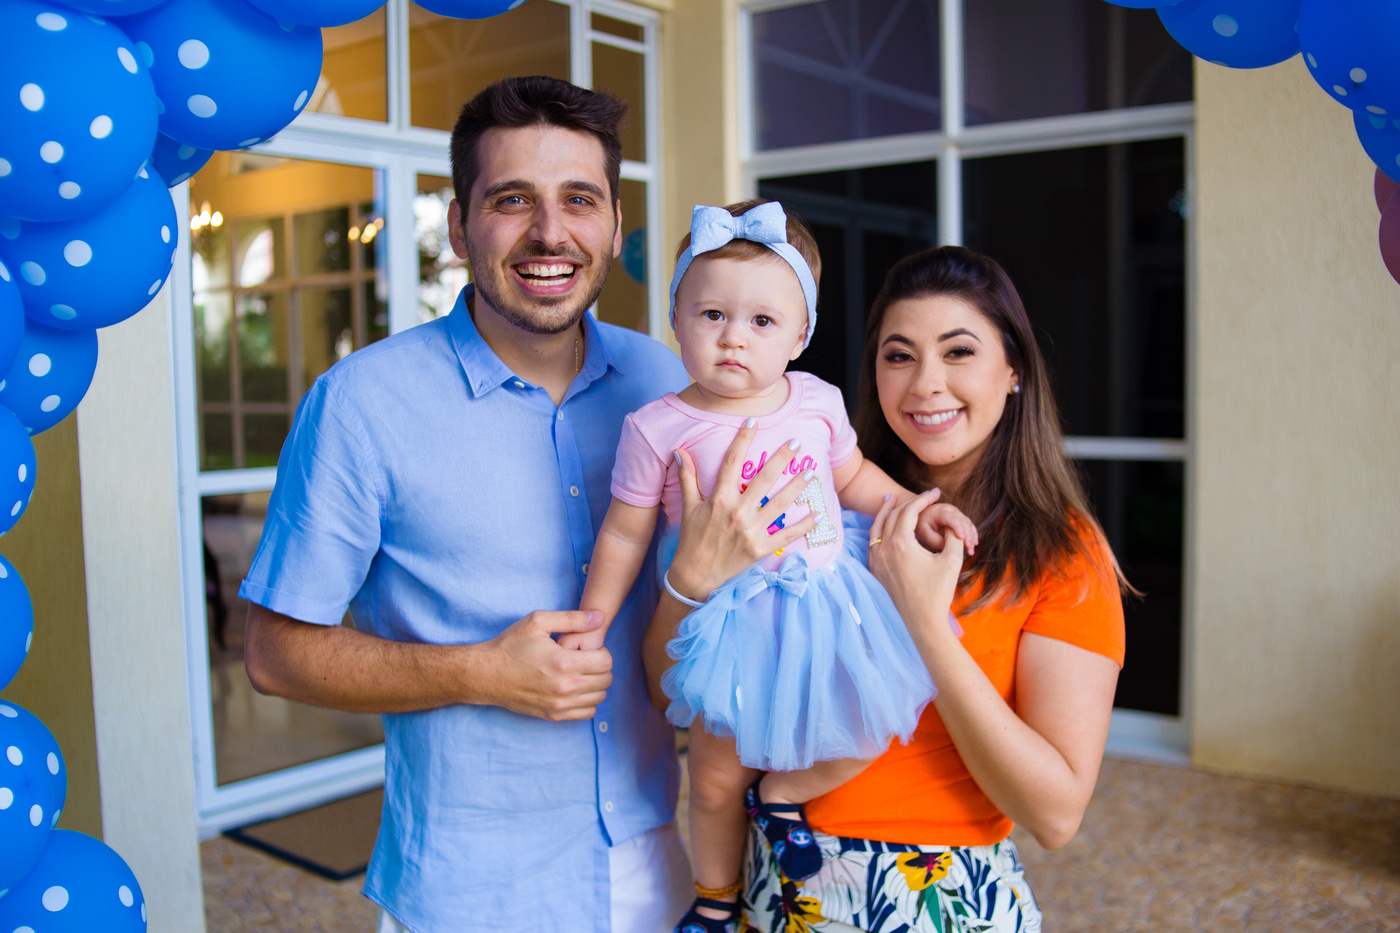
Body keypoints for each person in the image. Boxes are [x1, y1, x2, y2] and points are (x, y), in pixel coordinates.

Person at [239, 76, 697, 933]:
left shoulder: (665, 380)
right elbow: (273, 652)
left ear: (614, 227)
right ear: (458, 227)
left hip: (654, 861)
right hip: (469, 891)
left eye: (580, 199)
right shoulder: (361, 403)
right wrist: (480, 670)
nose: (550, 232)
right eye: (512, 199)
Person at [651, 246, 1127, 933]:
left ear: (1014, 369)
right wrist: (689, 581)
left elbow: (1055, 815)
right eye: (899, 355)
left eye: (958, 352)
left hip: (941, 898)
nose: (926, 384)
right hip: (778, 888)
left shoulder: (1062, 552)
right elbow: (667, 689)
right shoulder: (815, 512)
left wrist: (926, 624)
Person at [575, 200, 974, 933]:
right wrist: (592, 621)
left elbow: (854, 478)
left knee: (875, 721)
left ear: (800, 335)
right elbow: (625, 535)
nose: (734, 337)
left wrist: (918, 507)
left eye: (762, 321)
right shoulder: (657, 427)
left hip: (827, 604)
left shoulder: (816, 401)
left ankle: (784, 793)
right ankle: (715, 897)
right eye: (712, 315)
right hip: (730, 624)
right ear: (676, 320)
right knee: (714, 776)